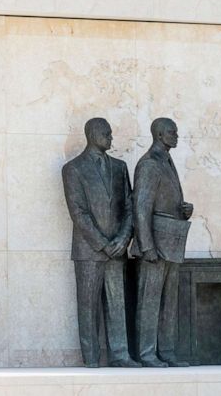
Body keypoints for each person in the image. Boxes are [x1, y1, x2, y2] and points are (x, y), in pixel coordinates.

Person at [61, 118, 140, 368]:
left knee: (117, 304)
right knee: (88, 306)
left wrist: (122, 239)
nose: (111, 137)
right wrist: (103, 243)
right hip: (89, 250)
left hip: (117, 249)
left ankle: (120, 355)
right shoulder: (73, 169)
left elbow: (130, 207)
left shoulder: (120, 167)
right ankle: (91, 358)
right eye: (107, 133)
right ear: (93, 134)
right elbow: (78, 212)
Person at [132, 117, 193, 368]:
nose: (176, 135)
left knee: (169, 302)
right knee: (150, 301)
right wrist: (146, 246)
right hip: (155, 244)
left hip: (172, 241)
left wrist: (184, 209)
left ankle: (166, 351)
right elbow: (141, 207)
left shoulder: (167, 161)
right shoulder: (149, 163)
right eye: (172, 131)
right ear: (159, 134)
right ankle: (147, 353)